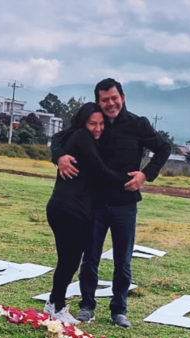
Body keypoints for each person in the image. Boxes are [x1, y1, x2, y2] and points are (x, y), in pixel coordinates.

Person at [52, 77, 171, 327]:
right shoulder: (95, 122)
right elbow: (60, 138)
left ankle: (119, 310)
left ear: (123, 98)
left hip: (125, 203)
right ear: (98, 101)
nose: (110, 103)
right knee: (90, 257)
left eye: (114, 98)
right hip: (94, 201)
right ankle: (87, 307)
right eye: (105, 100)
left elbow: (163, 148)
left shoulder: (138, 124)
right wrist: (60, 157)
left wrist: (145, 175)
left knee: (122, 259)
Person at [44, 103, 131, 325]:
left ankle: (54, 304)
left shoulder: (83, 137)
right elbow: (101, 169)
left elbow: (59, 141)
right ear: (83, 123)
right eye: (93, 123)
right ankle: (57, 306)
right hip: (67, 208)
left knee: (69, 260)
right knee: (69, 260)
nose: (98, 128)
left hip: (75, 209)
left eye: (101, 123)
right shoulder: (82, 136)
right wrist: (130, 181)